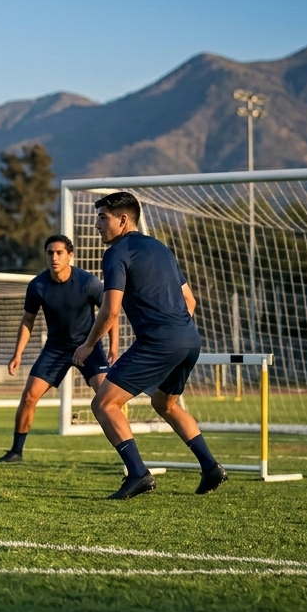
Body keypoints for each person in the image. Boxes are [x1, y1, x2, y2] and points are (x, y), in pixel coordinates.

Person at [73, 191, 226, 499]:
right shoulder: (160, 248)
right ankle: (211, 467)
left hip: (159, 342)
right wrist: (175, 332)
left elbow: (110, 309)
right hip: (189, 339)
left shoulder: (117, 253)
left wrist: (88, 345)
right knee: (164, 404)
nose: (97, 225)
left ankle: (139, 474)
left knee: (103, 404)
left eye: (103, 218)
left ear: (123, 220)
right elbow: (190, 301)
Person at [0, 235, 118, 463]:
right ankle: (16, 451)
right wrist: (17, 354)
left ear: (70, 256)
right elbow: (27, 321)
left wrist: (113, 348)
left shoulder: (88, 282)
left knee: (108, 399)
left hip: (88, 347)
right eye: (50, 253)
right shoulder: (37, 285)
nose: (54, 257)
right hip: (55, 349)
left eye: (59, 253)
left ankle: (126, 454)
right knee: (29, 396)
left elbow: (110, 314)